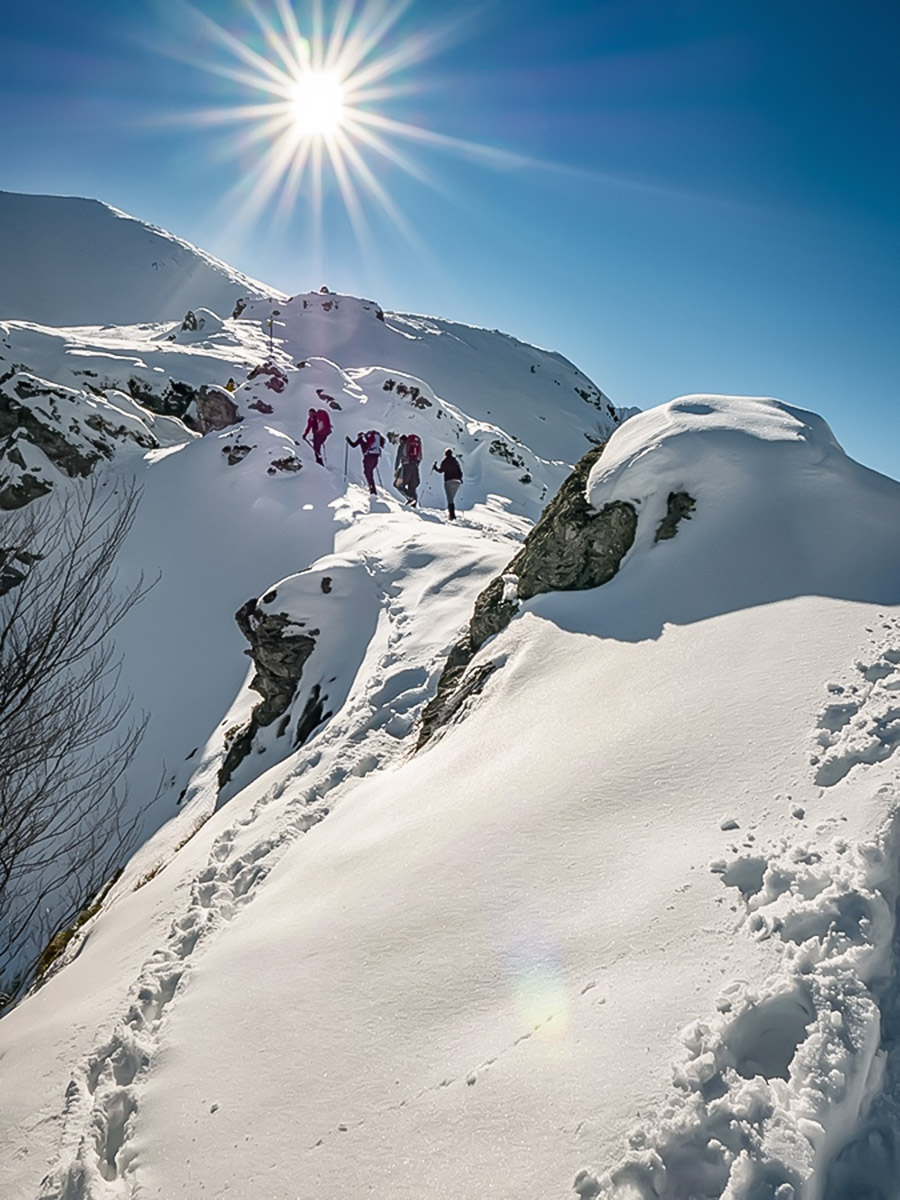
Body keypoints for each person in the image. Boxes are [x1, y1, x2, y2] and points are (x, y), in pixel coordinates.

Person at [346, 429, 385, 494]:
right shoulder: (371, 439)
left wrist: (348, 440)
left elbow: (353, 445)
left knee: (367, 473)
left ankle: (372, 490)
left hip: (368, 457)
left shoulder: (361, 439)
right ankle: (372, 489)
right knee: (369, 473)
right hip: (376, 457)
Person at [433, 448, 463, 519]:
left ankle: (452, 516)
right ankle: (452, 514)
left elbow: (441, 470)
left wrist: (435, 467)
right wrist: (460, 479)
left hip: (449, 481)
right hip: (457, 482)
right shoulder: (455, 461)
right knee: (452, 498)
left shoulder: (445, 461)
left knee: (450, 499)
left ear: (445, 454)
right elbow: (460, 471)